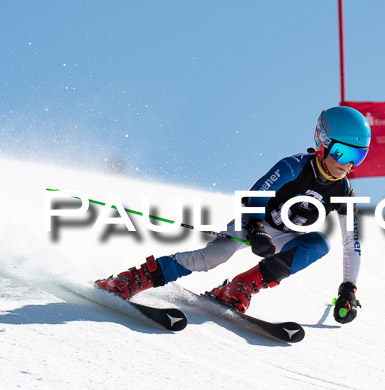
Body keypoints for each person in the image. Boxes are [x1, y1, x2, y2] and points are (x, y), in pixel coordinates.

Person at [96, 106, 370, 324]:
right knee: (215, 256)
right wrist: (256, 228)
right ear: (322, 142)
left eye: (357, 156)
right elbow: (255, 196)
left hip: (286, 235)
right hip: (254, 223)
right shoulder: (294, 166)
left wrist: (349, 288)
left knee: (320, 243)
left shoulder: (344, 193)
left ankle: (239, 287)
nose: (346, 163)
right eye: (341, 152)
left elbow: (352, 242)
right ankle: (132, 279)